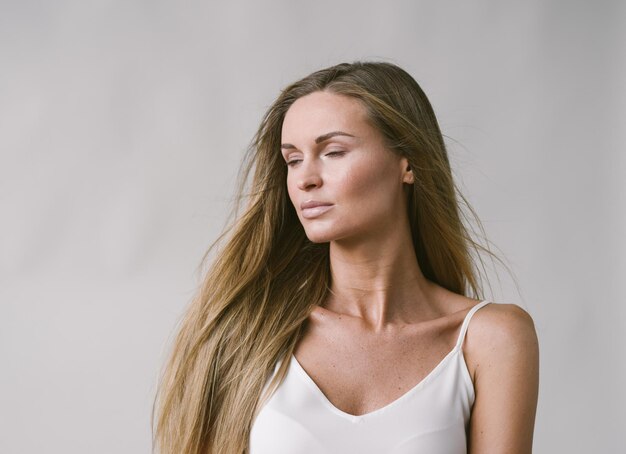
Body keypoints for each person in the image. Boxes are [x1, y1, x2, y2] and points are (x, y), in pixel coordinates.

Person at [152, 61, 539, 454]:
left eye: (333, 152)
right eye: (293, 160)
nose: (305, 179)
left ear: (408, 163)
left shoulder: (491, 339)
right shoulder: (246, 333)